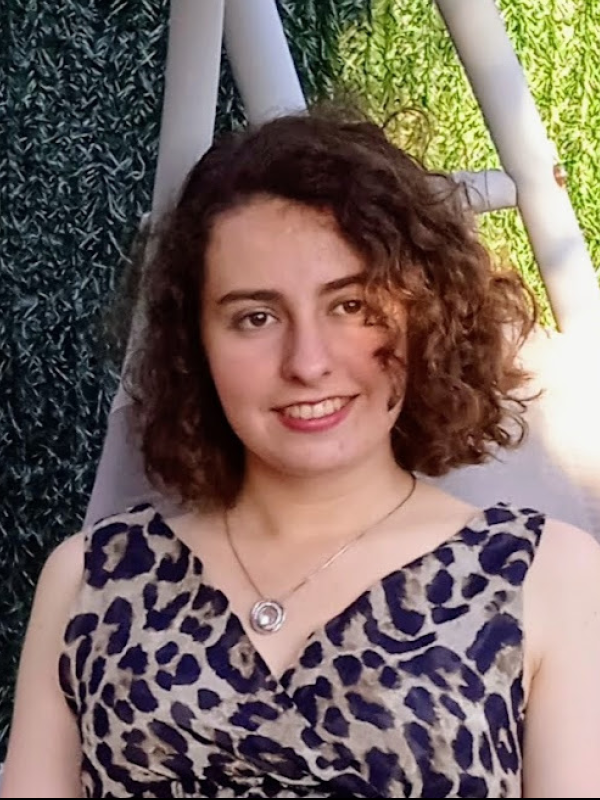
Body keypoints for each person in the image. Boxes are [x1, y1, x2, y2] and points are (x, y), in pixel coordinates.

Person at [2, 106, 599, 799]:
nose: (307, 362)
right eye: (255, 318)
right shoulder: (88, 581)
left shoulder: (547, 576)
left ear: (423, 315)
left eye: (350, 306)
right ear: (193, 345)